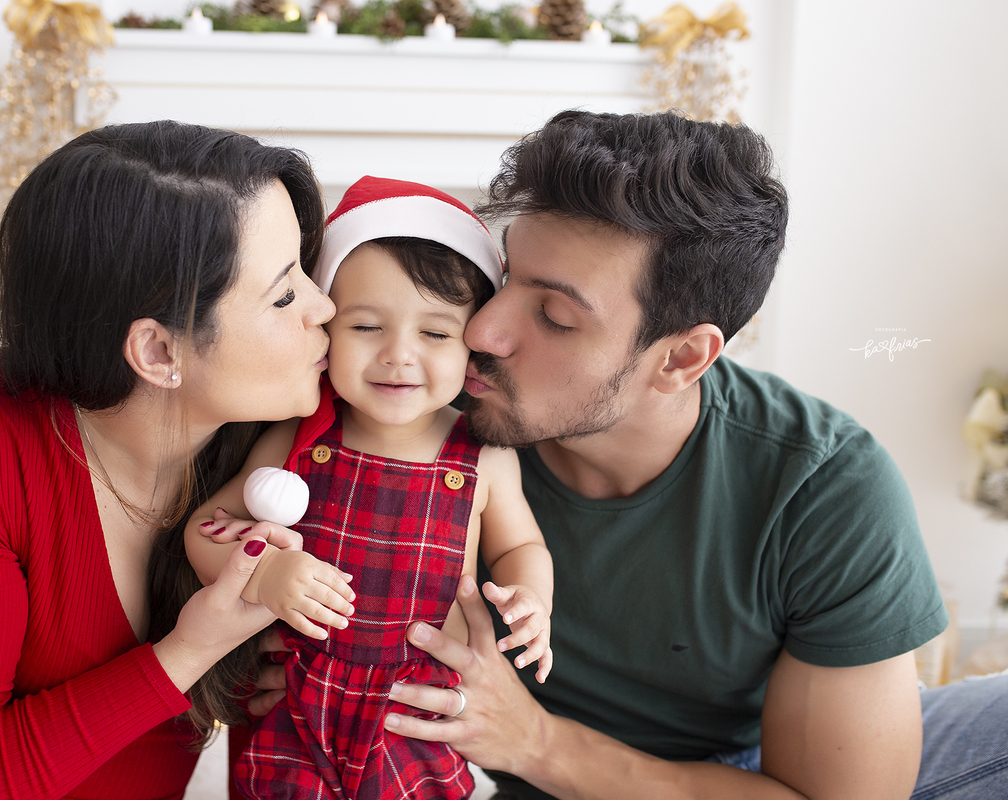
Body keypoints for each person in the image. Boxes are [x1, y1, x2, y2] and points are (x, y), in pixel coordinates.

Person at [379, 110, 1008, 800]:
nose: (484, 329)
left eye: (555, 316)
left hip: (745, 769)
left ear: (681, 358)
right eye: (505, 278)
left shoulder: (822, 486)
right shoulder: (411, 413)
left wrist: (536, 742)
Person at [0, 120, 337, 799]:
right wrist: (188, 652)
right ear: (159, 353)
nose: (325, 307)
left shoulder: (284, 426)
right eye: (285, 294)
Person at [182, 176, 554, 800]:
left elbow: (522, 548)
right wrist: (264, 573)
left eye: (434, 334)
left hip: (417, 712)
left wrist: (531, 600)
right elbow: (208, 527)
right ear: (326, 326)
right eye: (365, 327)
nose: (398, 356)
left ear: (472, 343)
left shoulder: (481, 451)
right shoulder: (302, 437)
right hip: (299, 704)